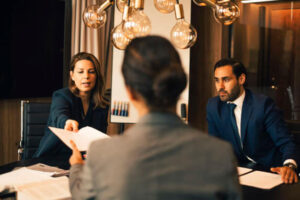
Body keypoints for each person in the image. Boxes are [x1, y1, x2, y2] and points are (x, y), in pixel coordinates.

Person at [68, 36, 242, 200]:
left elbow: (81, 195)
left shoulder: (101, 154)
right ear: (180, 86)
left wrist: (76, 166)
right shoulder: (221, 154)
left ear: (130, 92)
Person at [206, 58, 299, 184]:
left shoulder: (263, 105)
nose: (220, 87)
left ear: (241, 79)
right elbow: (215, 146)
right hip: (240, 173)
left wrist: (289, 166)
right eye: (217, 80)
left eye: (226, 80)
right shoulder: (213, 106)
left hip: (271, 171)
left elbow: (286, 142)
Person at [34, 52, 109, 159]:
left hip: (84, 160)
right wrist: (67, 122)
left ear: (96, 76)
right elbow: (58, 115)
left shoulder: (102, 104)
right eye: (80, 72)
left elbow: (99, 138)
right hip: (54, 157)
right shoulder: (61, 96)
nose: (86, 76)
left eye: (91, 72)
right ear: (72, 75)